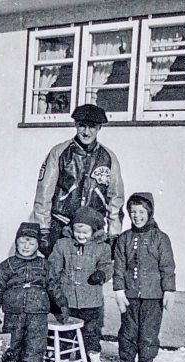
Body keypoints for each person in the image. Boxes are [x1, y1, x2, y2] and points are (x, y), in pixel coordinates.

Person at [33, 104, 125, 257]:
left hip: (92, 229)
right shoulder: (59, 152)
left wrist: (114, 233)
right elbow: (44, 193)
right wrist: (43, 229)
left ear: (99, 128)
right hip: (61, 225)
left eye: (92, 127)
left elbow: (116, 198)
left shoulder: (108, 157)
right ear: (76, 125)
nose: (86, 132)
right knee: (57, 273)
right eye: (82, 126)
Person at [0, 222, 66, 362]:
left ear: (38, 245)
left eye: (31, 243)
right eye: (23, 241)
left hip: (37, 314)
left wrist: (62, 307)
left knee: (34, 347)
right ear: (16, 242)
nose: (26, 246)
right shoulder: (6, 266)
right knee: (11, 346)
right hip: (13, 313)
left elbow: (54, 287)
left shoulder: (45, 265)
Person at [113, 193, 176, 362]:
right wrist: (119, 290)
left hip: (153, 295)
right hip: (131, 294)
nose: (137, 216)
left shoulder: (161, 238)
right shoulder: (124, 239)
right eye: (133, 212)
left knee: (149, 332)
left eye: (141, 212)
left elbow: (167, 267)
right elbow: (119, 267)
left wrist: (169, 291)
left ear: (149, 212)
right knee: (128, 330)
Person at [48, 206, 113, 362]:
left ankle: (93, 361)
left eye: (85, 232)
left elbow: (107, 266)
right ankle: (61, 360)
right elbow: (53, 267)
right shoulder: (62, 245)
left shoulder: (102, 248)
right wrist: (54, 283)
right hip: (66, 300)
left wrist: (102, 274)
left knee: (91, 334)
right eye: (78, 231)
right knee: (65, 334)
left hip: (91, 301)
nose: (81, 235)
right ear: (72, 229)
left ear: (94, 231)